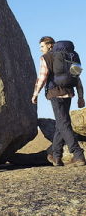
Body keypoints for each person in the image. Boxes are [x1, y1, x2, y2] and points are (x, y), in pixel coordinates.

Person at [32, 36, 86, 166]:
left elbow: (42, 77)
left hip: (55, 94)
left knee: (63, 124)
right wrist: (80, 96)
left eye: (42, 46)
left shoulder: (46, 58)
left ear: (50, 45)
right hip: (68, 94)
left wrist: (35, 94)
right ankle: (55, 155)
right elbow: (77, 78)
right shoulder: (70, 56)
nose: (41, 49)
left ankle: (78, 154)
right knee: (61, 124)